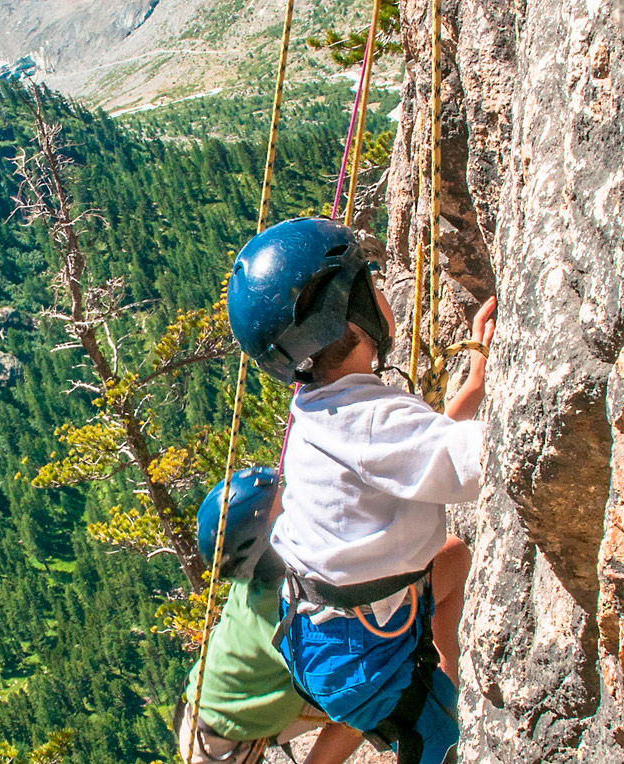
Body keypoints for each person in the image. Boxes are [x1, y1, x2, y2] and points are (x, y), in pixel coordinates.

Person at [224, 217, 495, 764]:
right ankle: (438, 696)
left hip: (319, 635)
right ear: (349, 309)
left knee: (455, 560)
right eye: (370, 281)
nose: (382, 289)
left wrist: (476, 384)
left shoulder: (324, 410)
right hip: (360, 658)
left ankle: (443, 668)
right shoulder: (367, 419)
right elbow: (473, 463)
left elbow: (413, 455)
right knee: (446, 742)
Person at [177, 467, 366, 764]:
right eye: (286, 505)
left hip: (206, 715)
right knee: (367, 696)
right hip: (225, 743)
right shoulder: (286, 608)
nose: (296, 503)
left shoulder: (260, 576)